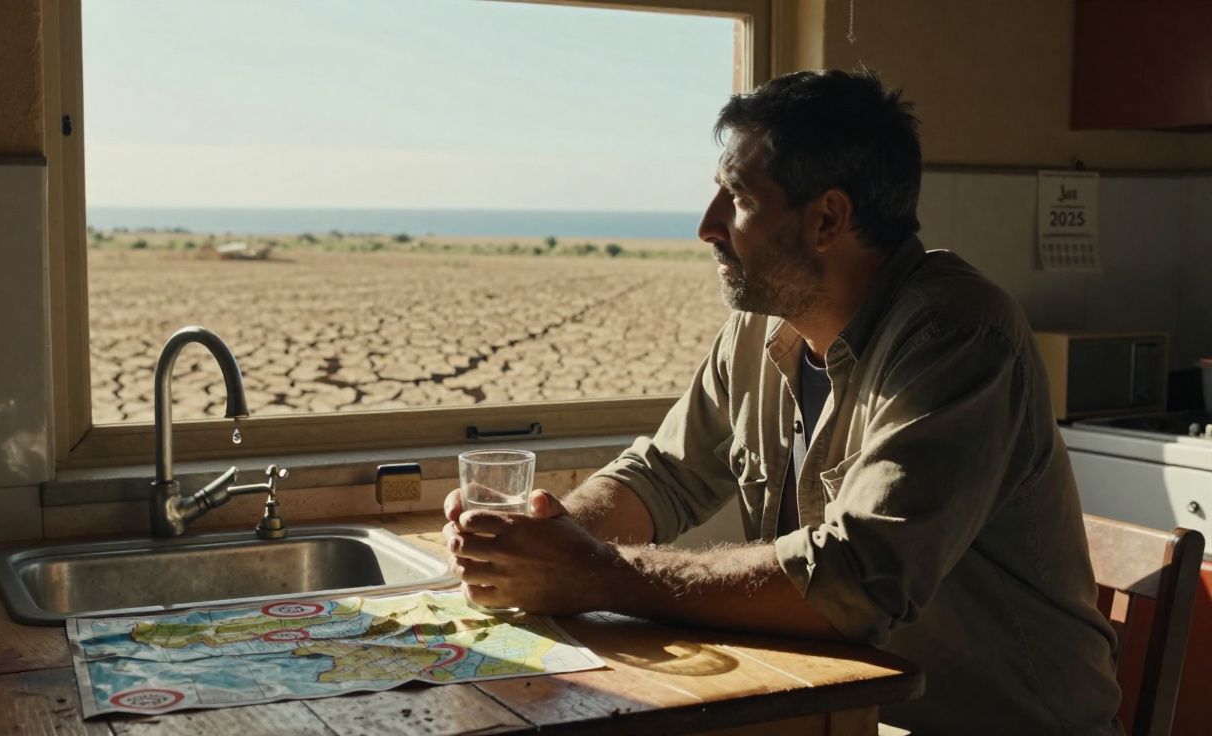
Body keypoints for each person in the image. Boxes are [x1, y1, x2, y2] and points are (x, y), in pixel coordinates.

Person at [442, 69, 1121, 734]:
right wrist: (542, 535)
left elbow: (858, 579)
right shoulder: (764, 325)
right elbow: (663, 475)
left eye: (736, 199)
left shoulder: (959, 336)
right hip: (833, 710)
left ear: (828, 218)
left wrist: (593, 574)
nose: (707, 227)